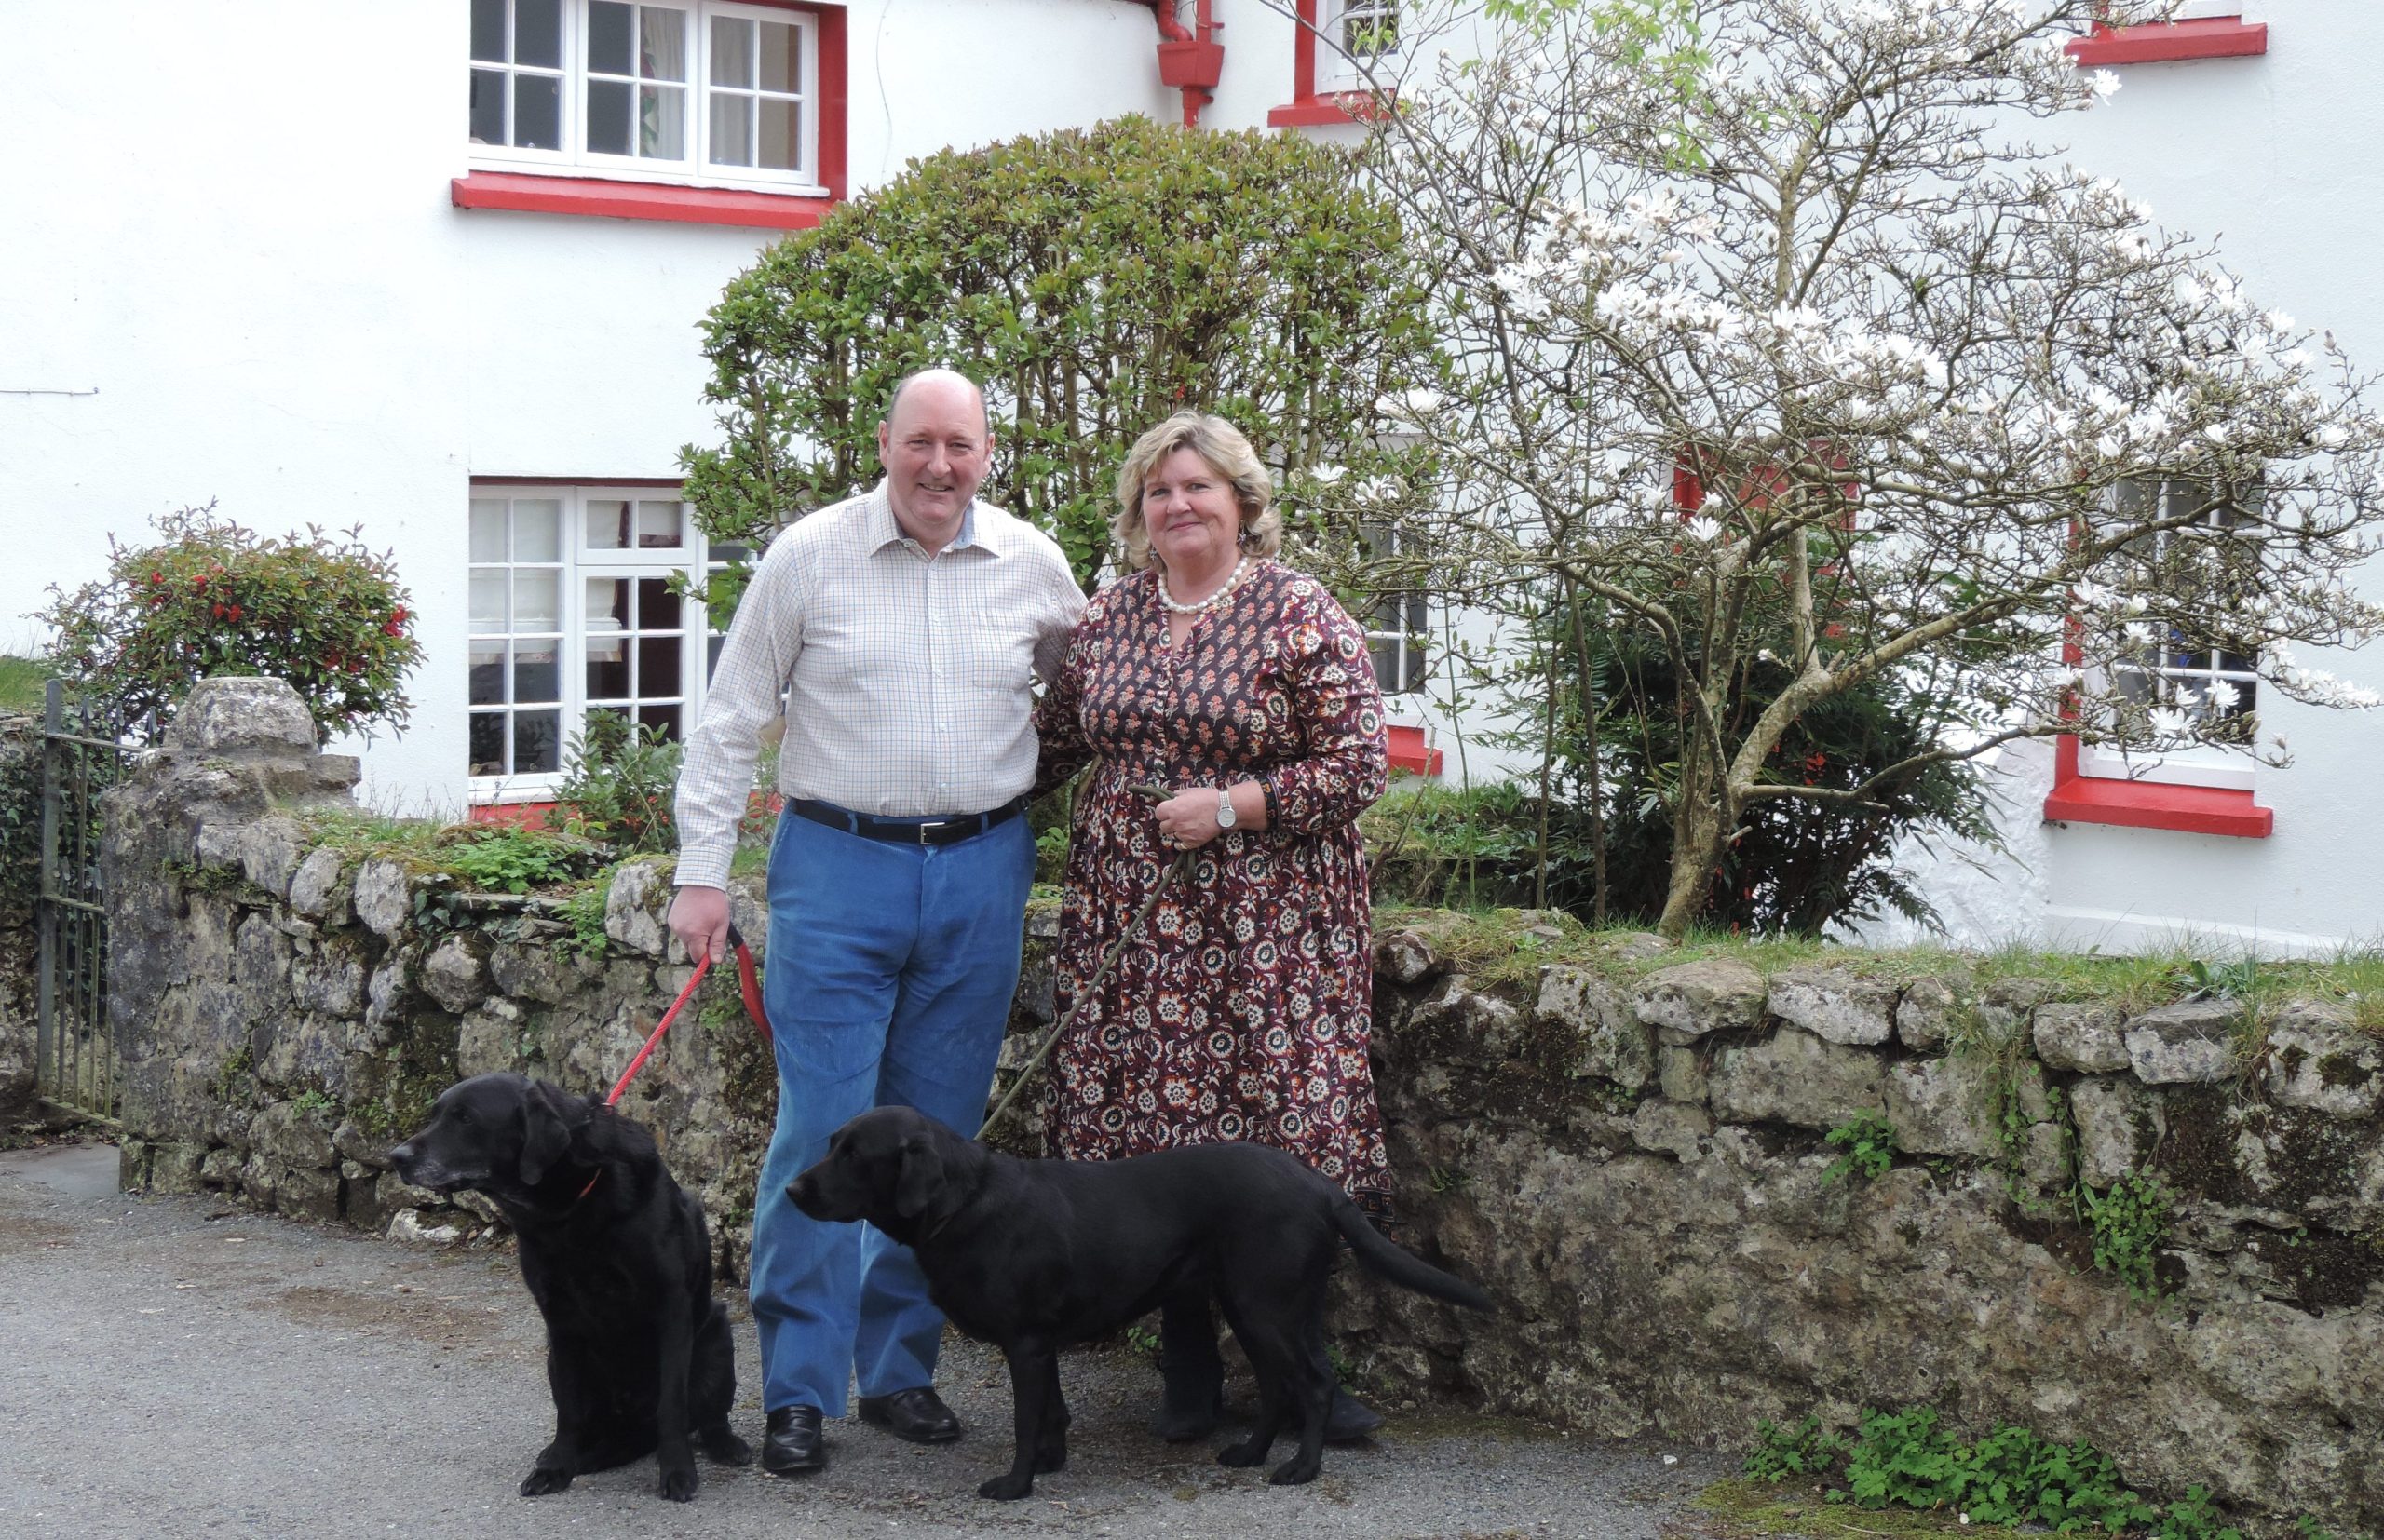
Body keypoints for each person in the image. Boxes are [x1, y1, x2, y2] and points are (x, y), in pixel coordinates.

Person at [669, 367, 1085, 1477]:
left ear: (988, 452)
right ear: (886, 443)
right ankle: (800, 1388)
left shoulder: (1035, 566)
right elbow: (730, 719)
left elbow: (1091, 703)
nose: (940, 465)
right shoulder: (810, 554)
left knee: (939, 1145)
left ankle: (898, 1369)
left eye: (961, 445)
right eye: (920, 442)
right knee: (822, 1132)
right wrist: (701, 874)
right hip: (836, 865)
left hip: (983, 868)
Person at [1033, 410, 1395, 1444]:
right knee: (1149, 1138)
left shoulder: (1300, 612)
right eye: (1159, 491)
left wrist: (1231, 805)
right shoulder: (1107, 617)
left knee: (1279, 1130)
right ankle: (1184, 1376)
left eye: (1197, 487)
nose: (1178, 505)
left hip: (1267, 927)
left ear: (1241, 501)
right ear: (1138, 512)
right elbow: (1049, 746)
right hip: (1129, 926)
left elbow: (1358, 765)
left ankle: (1306, 1380)